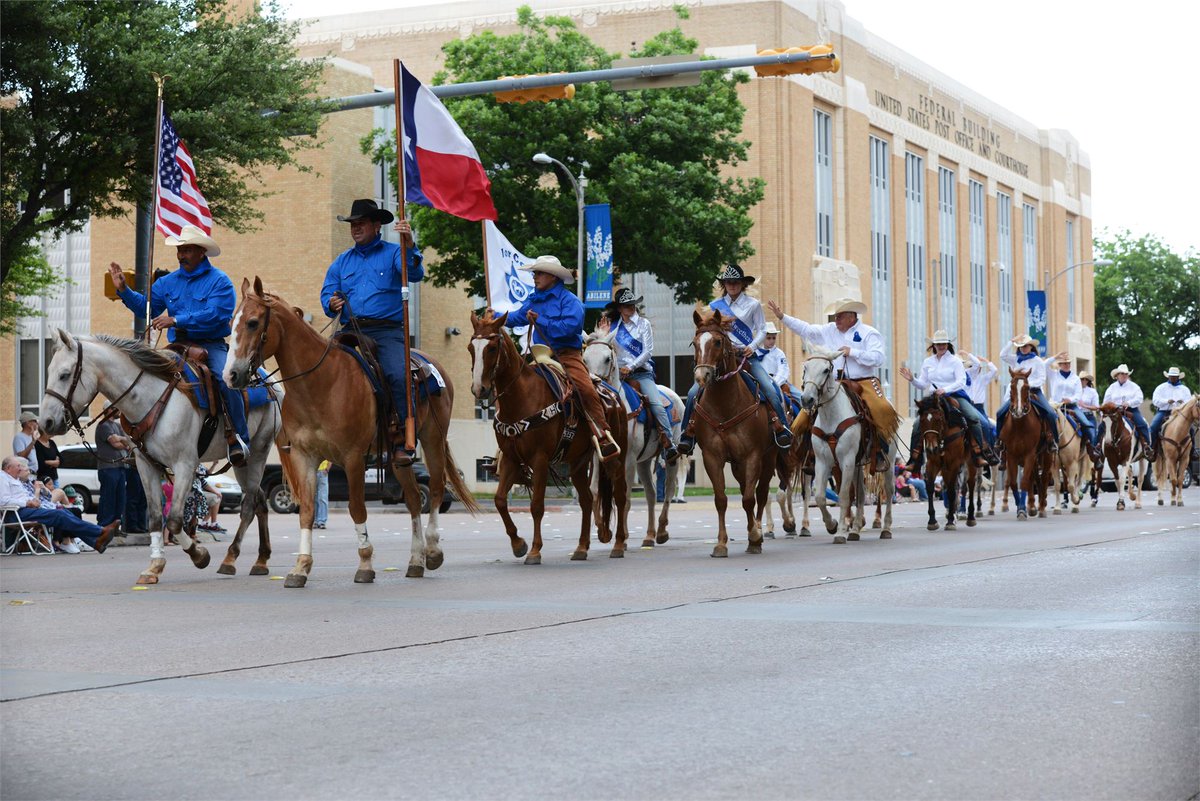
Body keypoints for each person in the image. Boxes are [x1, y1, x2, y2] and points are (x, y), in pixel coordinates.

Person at [109, 225, 248, 465]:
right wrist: (123, 289)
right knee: (145, 374)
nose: (181, 255)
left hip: (210, 344)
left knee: (225, 379)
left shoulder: (220, 282)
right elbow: (146, 308)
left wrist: (176, 319)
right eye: (179, 250)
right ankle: (142, 439)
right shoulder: (167, 282)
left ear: (201, 252)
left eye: (187, 250)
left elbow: (216, 313)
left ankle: (238, 438)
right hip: (177, 347)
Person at [321, 199, 425, 467]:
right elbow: (327, 294)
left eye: (361, 223)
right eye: (353, 224)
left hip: (386, 331)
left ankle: (403, 438)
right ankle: (318, 431)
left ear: (377, 226)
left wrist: (410, 244)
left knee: (397, 374)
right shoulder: (341, 262)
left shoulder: (393, 252)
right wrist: (330, 303)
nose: (355, 228)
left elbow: (414, 273)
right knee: (319, 367)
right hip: (349, 330)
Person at [501, 254, 622, 462]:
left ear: (553, 277)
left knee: (585, 388)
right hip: (539, 356)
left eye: (539, 273)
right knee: (513, 386)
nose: (534, 277)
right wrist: (496, 317)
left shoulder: (571, 302)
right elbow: (517, 317)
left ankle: (602, 433)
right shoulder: (534, 298)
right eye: (534, 273)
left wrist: (542, 321)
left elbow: (570, 328)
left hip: (567, 355)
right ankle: (505, 446)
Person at [766, 296, 895, 471]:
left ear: (852, 316)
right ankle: (808, 454)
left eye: (840, 316)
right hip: (833, 382)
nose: (836, 320)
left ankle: (880, 450)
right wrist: (782, 317)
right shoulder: (829, 330)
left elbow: (879, 358)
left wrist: (854, 352)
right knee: (804, 414)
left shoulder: (869, 332)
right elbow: (806, 329)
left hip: (863, 381)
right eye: (835, 316)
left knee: (882, 408)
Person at [678, 265, 792, 456]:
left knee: (770, 388)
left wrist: (752, 347)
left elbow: (762, 329)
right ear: (724, 284)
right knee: (692, 393)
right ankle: (687, 434)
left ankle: (781, 427)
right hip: (721, 358)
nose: (732, 285)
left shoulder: (753, 305)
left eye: (735, 282)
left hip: (747, 355)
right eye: (728, 282)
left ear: (742, 284)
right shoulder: (715, 306)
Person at [898, 330, 997, 469]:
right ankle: (915, 460)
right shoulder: (928, 362)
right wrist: (912, 379)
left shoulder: (955, 361)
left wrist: (946, 389)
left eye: (943, 343)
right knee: (916, 425)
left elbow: (961, 381)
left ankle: (979, 453)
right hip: (934, 399)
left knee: (974, 417)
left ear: (948, 344)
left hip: (954, 395)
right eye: (938, 344)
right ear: (934, 345)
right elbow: (923, 384)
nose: (941, 346)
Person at [599, 287, 677, 460]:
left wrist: (631, 366)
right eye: (626, 305)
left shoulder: (643, 324)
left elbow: (648, 352)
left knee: (656, 404)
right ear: (619, 308)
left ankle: (668, 443)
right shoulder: (612, 327)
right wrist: (602, 334)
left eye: (632, 304)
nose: (631, 308)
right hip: (617, 376)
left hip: (641, 374)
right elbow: (603, 350)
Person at [0, 456, 118, 553]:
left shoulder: (15, 480)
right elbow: (3, 500)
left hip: (27, 511)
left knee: (64, 512)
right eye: (18, 466)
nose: (20, 469)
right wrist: (26, 502)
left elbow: (24, 496)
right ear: (8, 468)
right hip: (15, 513)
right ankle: (100, 531)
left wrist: (34, 499)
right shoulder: (3, 478)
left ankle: (95, 542)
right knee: (59, 515)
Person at [995, 334, 1060, 446]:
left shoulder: (1038, 361)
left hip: (1034, 391)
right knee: (1000, 412)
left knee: (1050, 413)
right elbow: (1002, 355)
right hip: (1017, 393)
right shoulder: (1015, 359)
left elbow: (1041, 379)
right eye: (1021, 346)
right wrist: (1011, 341)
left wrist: (1027, 385)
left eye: (1025, 346)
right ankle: (999, 440)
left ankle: (1053, 440)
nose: (1023, 348)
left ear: (1031, 347)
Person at [1045, 352, 1098, 453]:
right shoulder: (1053, 374)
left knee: (1086, 423)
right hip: (1055, 406)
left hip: (1071, 406)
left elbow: (1078, 394)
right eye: (1064, 363)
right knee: (1042, 420)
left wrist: (1070, 399)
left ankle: (1093, 449)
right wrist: (1056, 357)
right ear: (1059, 365)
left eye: (1068, 363)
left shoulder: (1075, 378)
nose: (1067, 365)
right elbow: (1044, 365)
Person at [1096, 364, 1151, 455]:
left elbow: (1139, 398)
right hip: (1114, 411)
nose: (1124, 375)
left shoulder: (1134, 386)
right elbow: (1106, 402)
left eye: (1126, 373)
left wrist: (1129, 403)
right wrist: (1104, 414)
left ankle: (1146, 446)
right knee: (1102, 426)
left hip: (1131, 410)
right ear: (1117, 375)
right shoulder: (1111, 388)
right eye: (1122, 373)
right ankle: (1097, 446)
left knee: (1142, 424)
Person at [95, 414, 129, 531]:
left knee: (120, 499)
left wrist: (123, 440)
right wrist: (124, 442)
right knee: (108, 498)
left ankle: (115, 527)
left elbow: (127, 440)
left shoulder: (117, 425)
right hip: (108, 467)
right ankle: (104, 526)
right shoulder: (103, 425)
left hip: (120, 466)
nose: (119, 411)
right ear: (109, 410)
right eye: (116, 408)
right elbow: (115, 442)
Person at [1149, 367, 1191, 460]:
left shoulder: (1184, 389)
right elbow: (1155, 400)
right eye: (1171, 376)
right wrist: (1166, 401)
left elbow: (1189, 402)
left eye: (1174, 376)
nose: (1172, 378)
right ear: (1168, 376)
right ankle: (1151, 448)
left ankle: (1192, 451)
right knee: (1153, 427)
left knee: (1190, 428)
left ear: (1178, 377)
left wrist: (1182, 402)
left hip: (1180, 413)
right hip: (1164, 411)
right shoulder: (1161, 387)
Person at [961, 352, 998, 447]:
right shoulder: (963, 379)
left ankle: (989, 449)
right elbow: (976, 363)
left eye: (978, 368)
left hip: (979, 408)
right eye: (970, 367)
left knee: (987, 426)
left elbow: (994, 370)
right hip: (966, 406)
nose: (975, 369)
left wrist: (986, 361)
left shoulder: (983, 379)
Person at [757, 321, 797, 406]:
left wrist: (774, 384)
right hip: (760, 384)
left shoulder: (779, 353)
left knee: (800, 397)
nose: (772, 341)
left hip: (779, 383)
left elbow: (783, 371)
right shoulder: (755, 352)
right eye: (768, 338)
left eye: (773, 338)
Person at [12, 411, 39, 476]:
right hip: (25, 474)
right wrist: (32, 442)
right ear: (28, 423)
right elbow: (21, 456)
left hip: (33, 474)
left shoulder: (31, 436)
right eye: (35, 421)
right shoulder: (19, 437)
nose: (37, 423)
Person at [315, 460, 330, 530]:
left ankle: (322, 521)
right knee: (314, 498)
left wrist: (327, 468)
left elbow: (330, 454)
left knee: (322, 497)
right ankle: (315, 521)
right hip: (313, 470)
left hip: (322, 471)